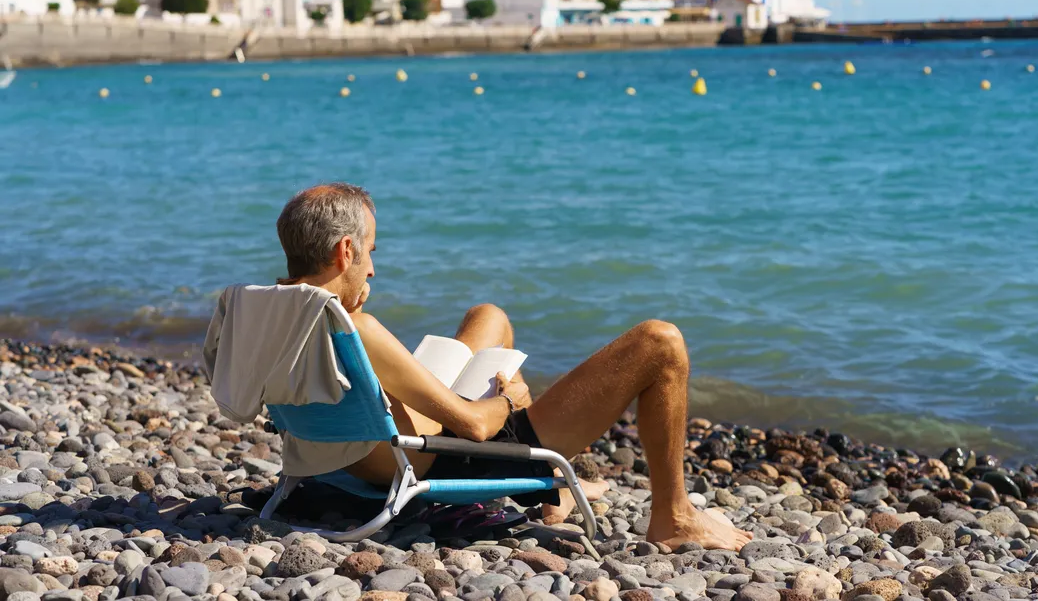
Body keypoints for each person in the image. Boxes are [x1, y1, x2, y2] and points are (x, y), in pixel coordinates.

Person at [274, 183, 751, 550]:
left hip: (353, 453)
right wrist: (508, 399)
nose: (373, 270)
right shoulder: (356, 326)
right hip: (439, 455)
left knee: (490, 318)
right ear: (345, 251)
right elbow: (476, 427)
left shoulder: (273, 312)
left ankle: (550, 491)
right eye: (371, 252)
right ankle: (672, 514)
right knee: (661, 342)